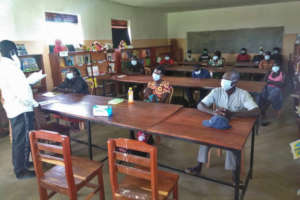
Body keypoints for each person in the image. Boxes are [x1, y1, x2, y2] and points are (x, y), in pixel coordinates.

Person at [184, 70, 259, 182]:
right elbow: (200, 105)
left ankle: (234, 174)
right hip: (217, 122)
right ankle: (198, 167)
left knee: (231, 145)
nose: (222, 82)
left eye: (226, 80)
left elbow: (256, 111)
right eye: (222, 79)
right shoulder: (216, 91)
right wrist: (213, 112)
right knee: (204, 140)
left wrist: (233, 114)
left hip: (234, 125)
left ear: (235, 82)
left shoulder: (243, 94)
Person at [0, 40, 38, 179]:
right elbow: (22, 92)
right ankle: (21, 170)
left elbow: (14, 86)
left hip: (13, 107)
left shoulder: (3, 65)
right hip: (21, 108)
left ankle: (21, 163)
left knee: (19, 138)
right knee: (23, 139)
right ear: (12, 52)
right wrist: (33, 103)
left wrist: (28, 81)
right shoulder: (11, 68)